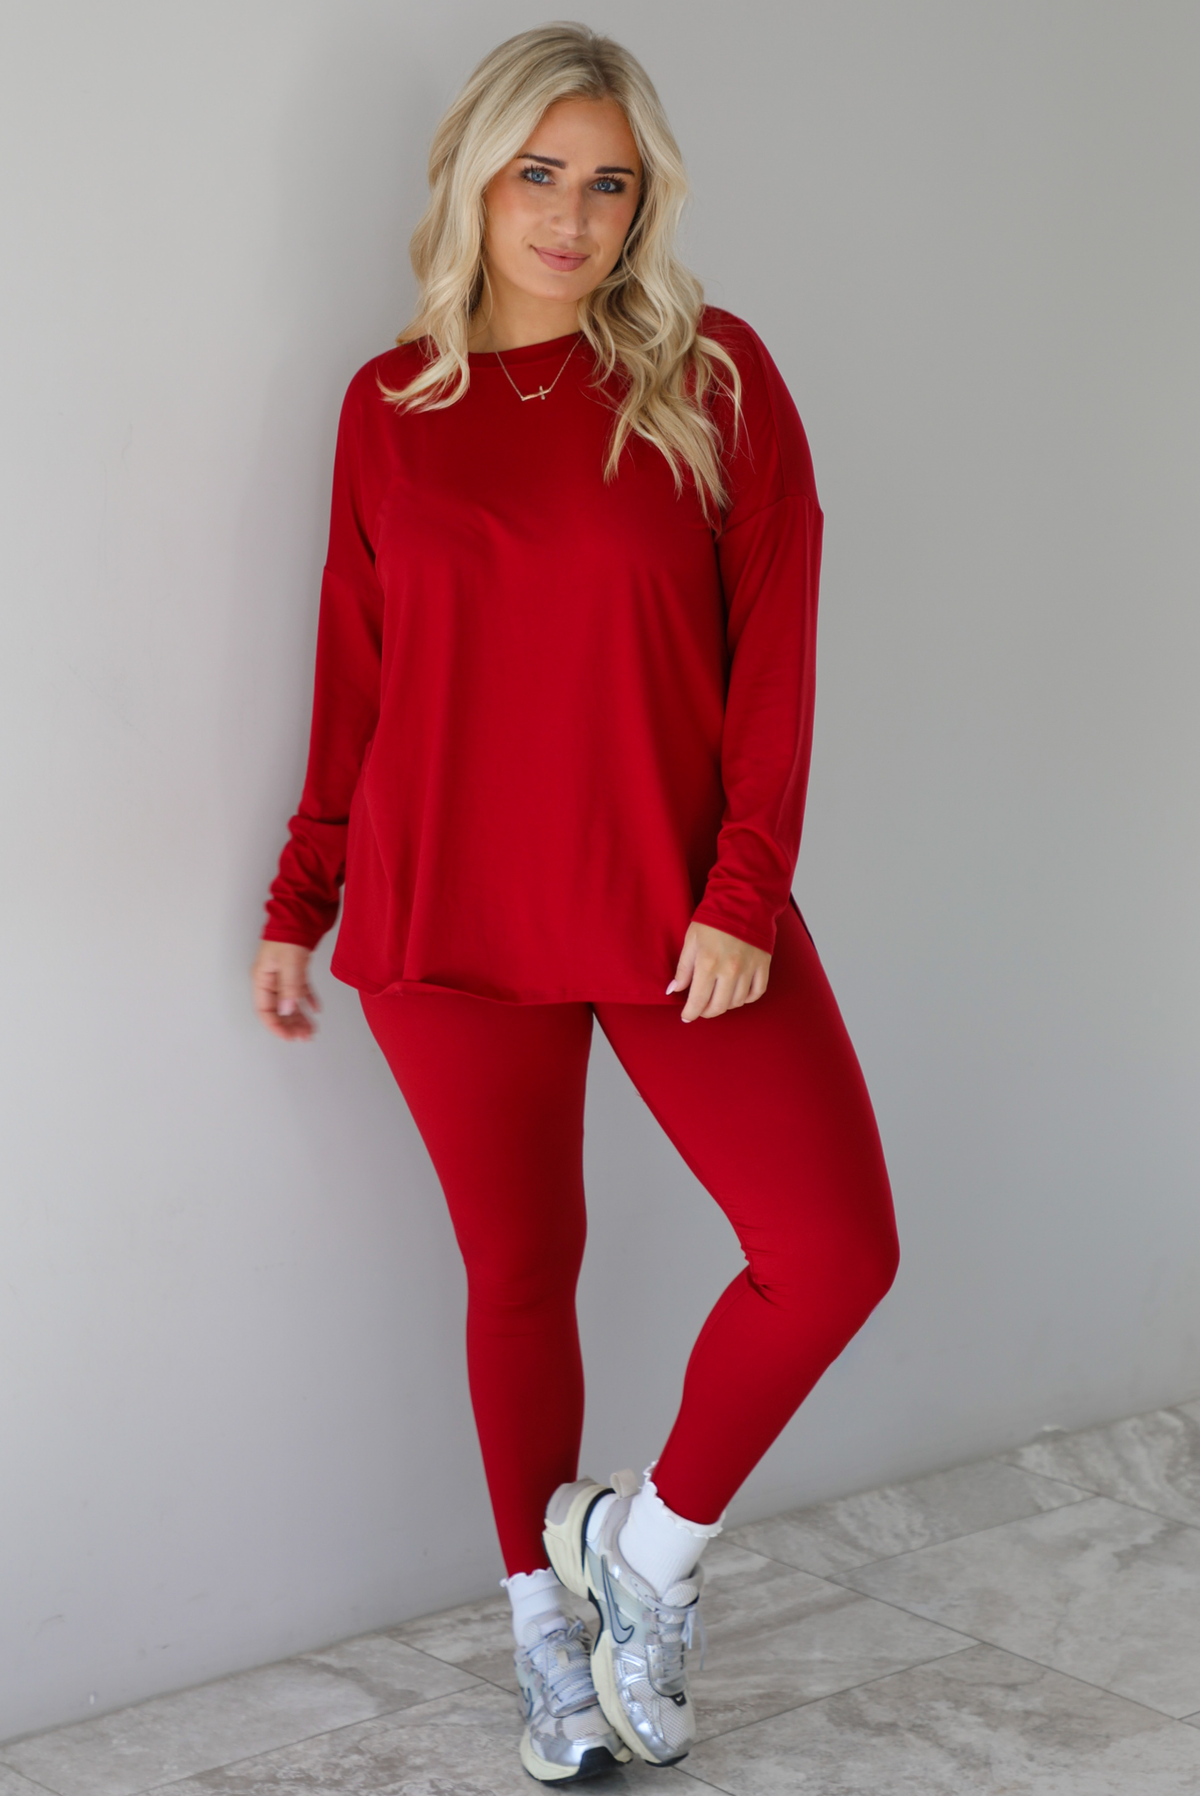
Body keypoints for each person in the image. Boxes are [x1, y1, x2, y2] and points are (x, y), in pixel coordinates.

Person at [251, 22, 899, 1785]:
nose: (574, 213)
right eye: (540, 172)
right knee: (520, 1271)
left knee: (835, 1252)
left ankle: (647, 1552)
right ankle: (545, 1635)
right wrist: (301, 893)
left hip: (682, 908)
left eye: (608, 182)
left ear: (646, 202)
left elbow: (777, 660)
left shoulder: (720, 377)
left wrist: (744, 888)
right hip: (444, 909)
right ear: (472, 175)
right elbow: (357, 675)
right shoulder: (389, 409)